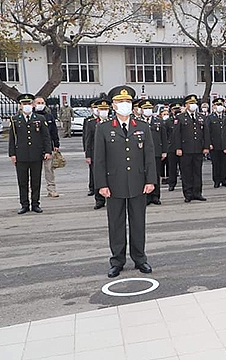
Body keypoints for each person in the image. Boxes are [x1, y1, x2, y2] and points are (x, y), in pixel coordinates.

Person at [94, 85, 156, 278]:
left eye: (128, 102)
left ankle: (140, 259)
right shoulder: (103, 128)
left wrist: (151, 180)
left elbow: (149, 155)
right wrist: (101, 185)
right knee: (116, 223)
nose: (125, 105)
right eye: (121, 102)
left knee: (138, 222)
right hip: (114, 184)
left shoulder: (142, 126)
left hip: (138, 182)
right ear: (113, 105)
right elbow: (99, 159)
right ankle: (117, 261)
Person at [9, 94, 52, 214]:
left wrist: (48, 151)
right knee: (22, 182)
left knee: (36, 181)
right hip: (21, 155)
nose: (27, 106)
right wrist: (12, 154)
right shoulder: (15, 119)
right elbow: (12, 139)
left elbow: (46, 137)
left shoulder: (40, 119)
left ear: (33, 105)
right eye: (24, 104)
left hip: (36, 154)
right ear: (20, 106)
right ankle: (24, 204)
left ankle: (35, 204)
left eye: (29, 104)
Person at [174, 94, 210, 202]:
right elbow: (177, 135)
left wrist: (206, 146)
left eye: (194, 103)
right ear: (186, 105)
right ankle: (188, 194)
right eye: (191, 103)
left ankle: (197, 193)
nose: (193, 105)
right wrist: (178, 148)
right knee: (186, 172)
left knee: (197, 172)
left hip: (198, 149)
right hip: (185, 149)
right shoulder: (180, 117)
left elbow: (206, 133)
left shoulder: (201, 117)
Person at [141, 100, 167, 205]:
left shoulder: (158, 121)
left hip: (156, 152)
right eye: (145, 108)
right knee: (144, 175)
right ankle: (146, 196)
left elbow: (163, 137)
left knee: (155, 174)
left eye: (149, 108)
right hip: (142, 153)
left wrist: (164, 151)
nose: (148, 111)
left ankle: (155, 196)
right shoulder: (138, 122)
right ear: (141, 110)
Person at [85, 99, 110, 210]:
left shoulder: (112, 122)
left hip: (111, 154)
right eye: (101, 109)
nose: (104, 111)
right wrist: (88, 155)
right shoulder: (91, 123)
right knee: (97, 177)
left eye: (106, 109)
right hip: (96, 154)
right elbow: (88, 140)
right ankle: (99, 200)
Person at [35, 96, 60, 198]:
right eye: (38, 103)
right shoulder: (32, 116)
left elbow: (54, 131)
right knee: (35, 171)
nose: (40, 104)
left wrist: (56, 144)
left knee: (49, 170)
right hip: (34, 147)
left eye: (42, 102)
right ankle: (34, 191)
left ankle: (51, 189)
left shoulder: (49, 116)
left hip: (48, 147)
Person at [208, 98, 226, 188]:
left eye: (220, 105)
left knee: (225, 163)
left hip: (224, 144)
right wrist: (209, 143)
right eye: (217, 105)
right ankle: (216, 180)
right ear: (214, 107)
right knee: (216, 163)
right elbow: (208, 131)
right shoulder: (210, 118)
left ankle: (224, 179)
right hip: (214, 144)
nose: (219, 107)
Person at [83, 101, 99, 196]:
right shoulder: (89, 121)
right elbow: (86, 137)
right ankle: (92, 187)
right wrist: (87, 152)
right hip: (93, 149)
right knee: (93, 170)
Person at [165, 103, 182, 191]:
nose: (176, 111)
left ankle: (185, 183)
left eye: (178, 109)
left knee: (184, 167)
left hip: (182, 147)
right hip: (172, 147)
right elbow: (166, 134)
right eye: (174, 109)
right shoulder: (168, 121)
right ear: (171, 111)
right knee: (172, 167)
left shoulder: (182, 119)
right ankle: (172, 183)